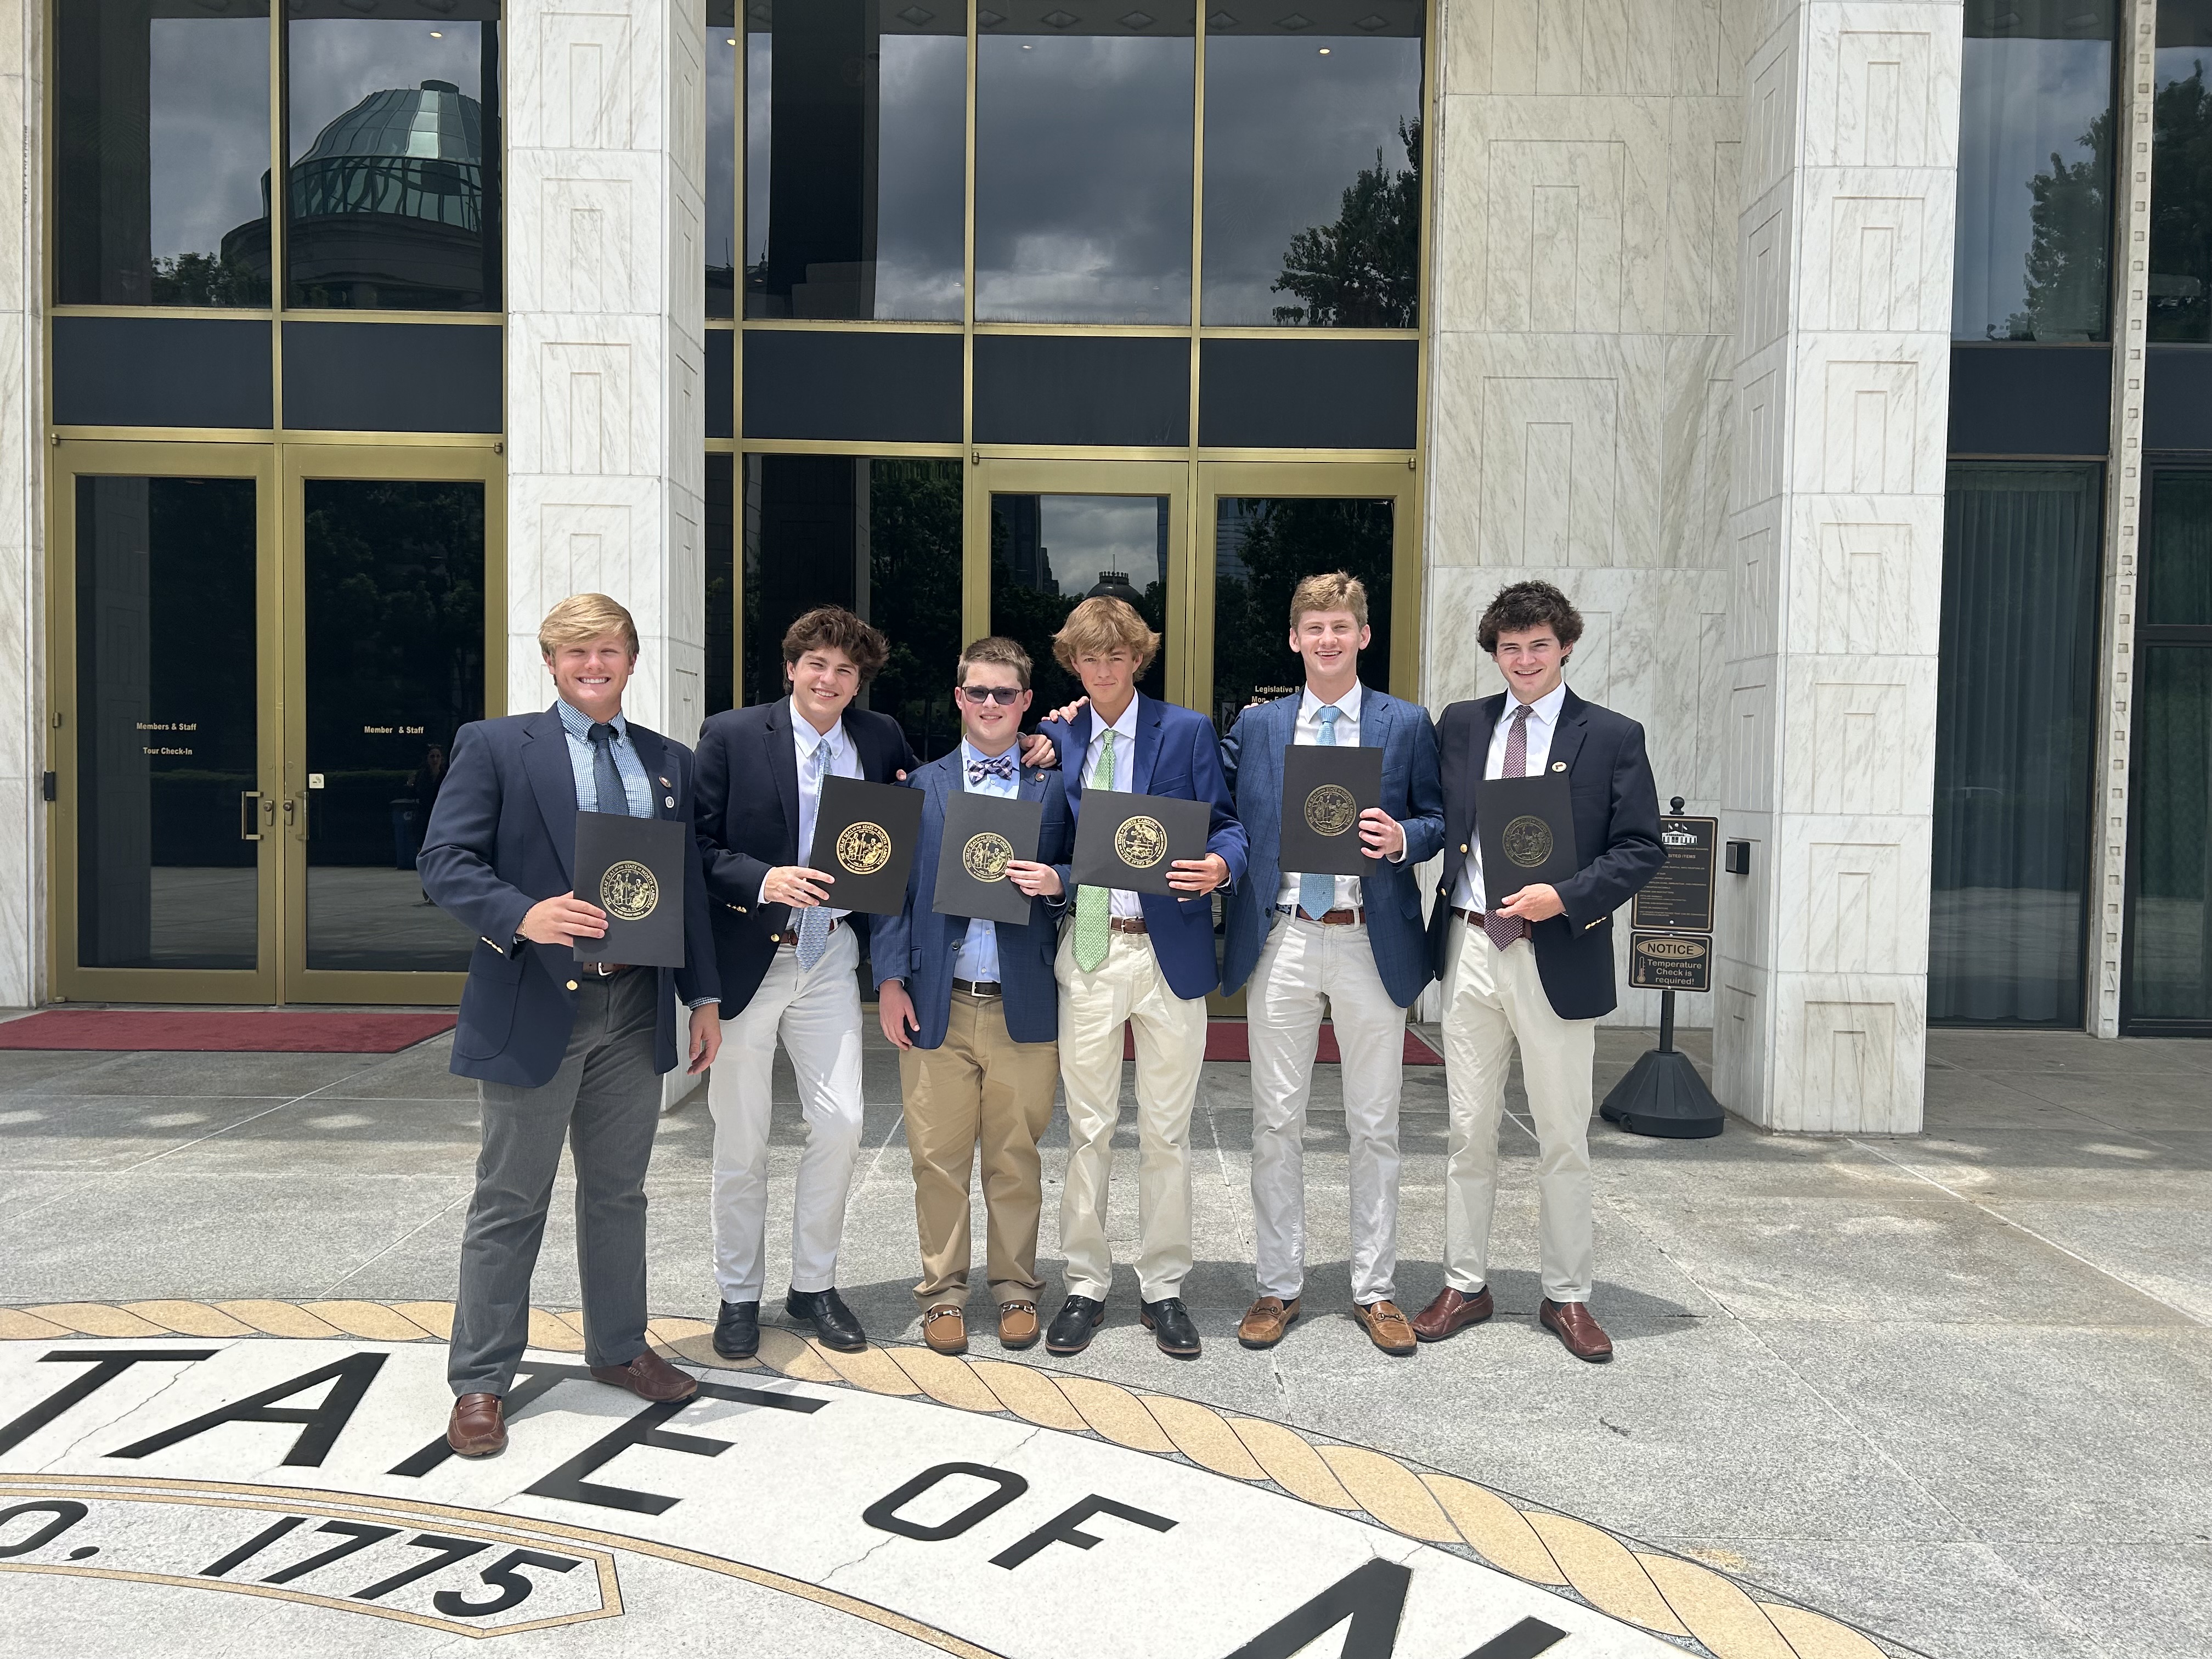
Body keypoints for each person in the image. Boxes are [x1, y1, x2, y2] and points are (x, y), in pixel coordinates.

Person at [691, 608, 1056, 1360]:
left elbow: (900, 865)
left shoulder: (880, 740)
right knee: (742, 1136)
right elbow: (695, 845)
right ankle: (737, 1294)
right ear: (790, 668)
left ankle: (814, 1287)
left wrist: (1059, 736)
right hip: (753, 956)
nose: (830, 680)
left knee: (840, 1125)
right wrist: (766, 881)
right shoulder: (732, 735)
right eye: (817, 665)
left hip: (830, 957)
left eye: (846, 671)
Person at [418, 593, 723, 1458]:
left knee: (620, 1192)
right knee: (511, 1198)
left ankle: (620, 1348)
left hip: (635, 1009)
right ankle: (480, 1382)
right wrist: (523, 914)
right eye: (576, 654)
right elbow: (444, 862)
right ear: (551, 664)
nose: (595, 667)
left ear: (632, 662)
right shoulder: (495, 747)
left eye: (610, 653)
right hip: (538, 1000)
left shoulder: (668, 762)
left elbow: (689, 887)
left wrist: (702, 999)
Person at [1413, 581, 1663, 1363]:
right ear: (1495, 652)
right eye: (1510, 647)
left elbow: (1642, 847)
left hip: (1556, 952)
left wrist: (1568, 895)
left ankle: (1569, 1296)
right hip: (1471, 946)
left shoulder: (1612, 736)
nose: (1524, 660)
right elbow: (1429, 812)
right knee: (1467, 1131)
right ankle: (1465, 1281)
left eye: (1539, 646)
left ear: (1565, 648)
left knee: (1562, 1135)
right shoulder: (1461, 726)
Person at [1218, 572, 1444, 1356]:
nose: (1327, 639)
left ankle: (1375, 1289)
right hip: (1281, 933)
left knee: (1374, 1122)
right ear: (1293, 638)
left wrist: (1406, 839)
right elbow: (1212, 807)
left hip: (1365, 935)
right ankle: (1278, 1286)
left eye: (1341, 627)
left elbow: (1438, 816)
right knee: (1275, 1120)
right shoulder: (1258, 726)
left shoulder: (1405, 723)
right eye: (1313, 626)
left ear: (1364, 636)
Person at [1037, 597, 1247, 1359]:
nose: (1103, 669)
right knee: (1088, 1129)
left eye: (1117, 656)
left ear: (1139, 658)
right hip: (1091, 948)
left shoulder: (1186, 732)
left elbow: (1225, 823)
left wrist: (1223, 863)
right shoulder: (1058, 736)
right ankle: (1087, 1285)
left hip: (1169, 952)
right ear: (1074, 663)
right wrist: (1052, 878)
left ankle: (1163, 1286)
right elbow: (1053, 840)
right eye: (1090, 657)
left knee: (1166, 1131)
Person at [871, 637, 1075, 1355]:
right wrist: (890, 979)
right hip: (938, 998)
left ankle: (1017, 1287)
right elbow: (891, 889)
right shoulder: (920, 785)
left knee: (1016, 1157)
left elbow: (1097, 860)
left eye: (1006, 694)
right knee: (937, 1157)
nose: (991, 704)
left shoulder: (1055, 784)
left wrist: (1059, 879)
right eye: (978, 692)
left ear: (1026, 702)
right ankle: (943, 1292)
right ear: (959, 698)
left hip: (1024, 1001)